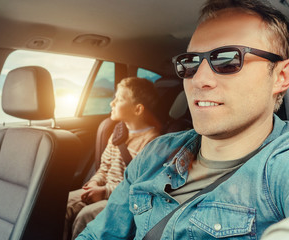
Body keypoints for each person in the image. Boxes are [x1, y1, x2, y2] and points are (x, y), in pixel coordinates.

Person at [76, 0, 289, 239]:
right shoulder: (154, 155)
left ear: (281, 76)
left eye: (228, 60)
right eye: (191, 63)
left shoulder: (280, 166)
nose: (199, 80)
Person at [64, 77, 161, 240]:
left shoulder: (152, 142)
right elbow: (104, 167)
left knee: (85, 216)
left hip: (124, 199)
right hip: (102, 190)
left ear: (137, 109)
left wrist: (104, 193)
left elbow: (140, 187)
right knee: (61, 203)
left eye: (120, 99)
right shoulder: (118, 133)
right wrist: (95, 182)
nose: (112, 103)